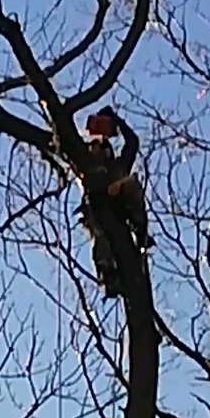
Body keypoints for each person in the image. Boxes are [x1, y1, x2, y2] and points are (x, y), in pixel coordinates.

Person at [79, 107, 150, 295]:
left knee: (131, 183)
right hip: (96, 207)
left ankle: (140, 230)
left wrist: (116, 120)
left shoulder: (118, 166)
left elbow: (132, 143)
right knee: (99, 234)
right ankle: (108, 274)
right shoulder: (87, 166)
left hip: (120, 205)